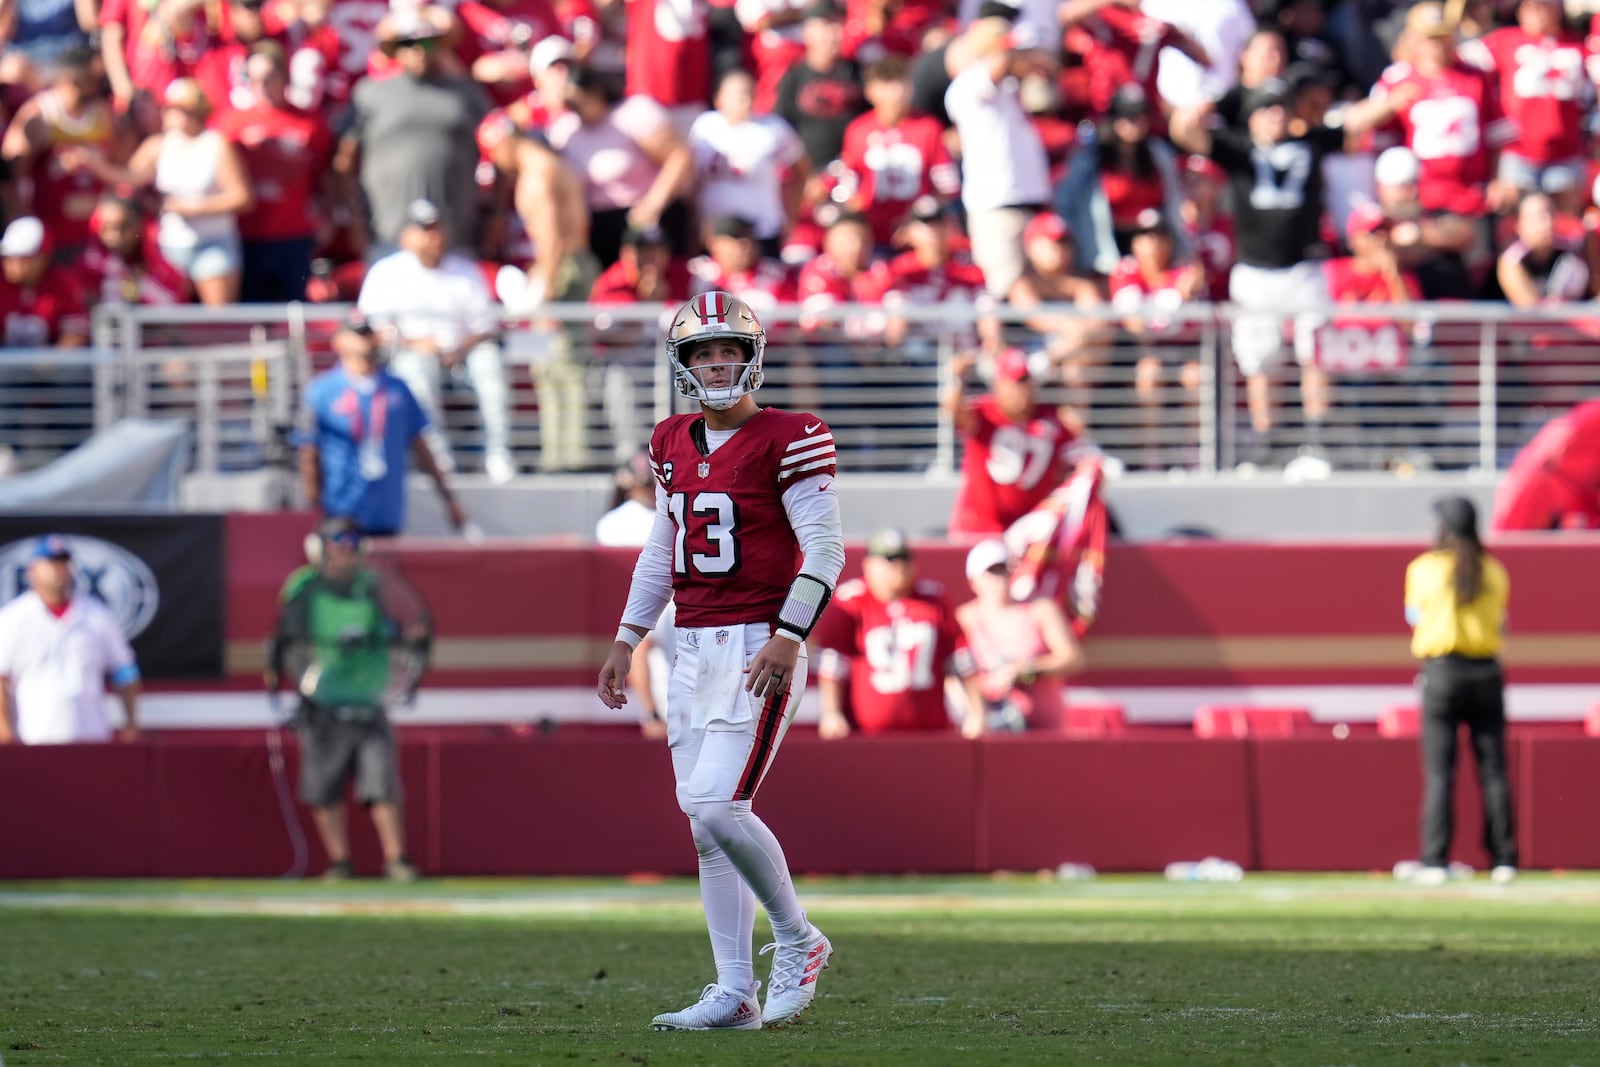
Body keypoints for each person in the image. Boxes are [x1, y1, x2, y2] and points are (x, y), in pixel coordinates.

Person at [597, 290, 844, 1030]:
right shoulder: (671, 440)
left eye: (728, 350)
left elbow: (825, 548)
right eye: (702, 351)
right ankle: (735, 988)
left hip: (757, 644)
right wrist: (628, 634)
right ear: (683, 363)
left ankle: (799, 937)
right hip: (692, 642)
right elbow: (660, 546)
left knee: (715, 804)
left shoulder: (791, 434)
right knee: (705, 827)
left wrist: (790, 634)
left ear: (752, 356)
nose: (716, 362)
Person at [266, 517, 425, 882]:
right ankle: (339, 861)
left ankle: (395, 858)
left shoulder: (372, 586)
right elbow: (288, 638)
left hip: (368, 696)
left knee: (381, 783)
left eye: (351, 545)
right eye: (337, 546)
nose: (345, 554)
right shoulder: (304, 587)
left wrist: (400, 641)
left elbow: (402, 625)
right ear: (320, 550)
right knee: (324, 786)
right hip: (322, 699)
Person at [1401, 496, 1517, 886]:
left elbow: (1413, 616)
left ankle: (1435, 860)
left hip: (1444, 671)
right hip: (1486, 672)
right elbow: (1502, 624)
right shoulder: (1495, 570)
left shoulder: (1425, 569)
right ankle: (1504, 858)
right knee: (1494, 771)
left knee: (1439, 773)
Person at [358, 199, 515, 483]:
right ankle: (438, 458)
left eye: (436, 229)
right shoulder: (386, 272)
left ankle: (498, 453)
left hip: (462, 356)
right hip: (409, 354)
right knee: (416, 370)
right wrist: (415, 343)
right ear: (406, 235)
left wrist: (460, 348)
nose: (432, 238)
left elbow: (485, 326)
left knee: (489, 364)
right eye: (424, 230)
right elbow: (373, 329)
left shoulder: (465, 271)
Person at [299, 311, 466, 538]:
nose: (363, 342)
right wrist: (313, 508)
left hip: (386, 512)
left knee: (383, 572)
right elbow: (310, 454)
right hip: (340, 512)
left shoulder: (397, 390)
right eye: (356, 334)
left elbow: (421, 447)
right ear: (339, 341)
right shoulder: (322, 391)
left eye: (367, 334)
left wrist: (448, 498)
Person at [813, 528, 983, 739]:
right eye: (889, 559)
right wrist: (831, 712)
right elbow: (833, 665)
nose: (898, 566)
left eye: (903, 558)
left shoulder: (934, 600)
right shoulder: (851, 602)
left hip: (930, 734)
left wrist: (976, 712)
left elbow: (960, 660)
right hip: (868, 736)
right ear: (868, 564)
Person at [0, 534, 141, 745]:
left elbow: (125, 670)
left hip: (91, 737)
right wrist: (4, 728)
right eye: (51, 563)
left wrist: (131, 723)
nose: (58, 569)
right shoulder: (13, 617)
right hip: (35, 737)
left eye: (63, 563)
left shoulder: (97, 615)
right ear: (33, 571)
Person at [945, 347, 1096, 538]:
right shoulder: (985, 413)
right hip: (980, 530)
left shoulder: (1051, 419)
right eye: (1016, 383)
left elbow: (1082, 456)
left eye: (1026, 382)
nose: (1023, 390)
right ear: (999, 384)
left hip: (1027, 534)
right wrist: (956, 379)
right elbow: (954, 410)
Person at [954, 538, 1083, 731]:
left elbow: (1073, 659)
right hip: (991, 728)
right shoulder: (964, 618)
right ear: (973, 581)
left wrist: (1027, 670)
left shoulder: (1040, 610)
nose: (999, 578)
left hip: (1044, 729)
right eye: (991, 571)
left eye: (1003, 569)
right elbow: (952, 672)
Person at [594, 449, 673, 740]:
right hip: (650, 604)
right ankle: (651, 711)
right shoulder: (628, 522)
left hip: (640, 610)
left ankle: (651, 711)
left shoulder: (612, 521)